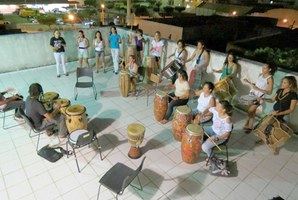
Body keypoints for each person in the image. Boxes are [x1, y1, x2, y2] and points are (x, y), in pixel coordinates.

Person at [243, 63, 275, 132]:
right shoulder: (260, 75)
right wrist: (248, 82)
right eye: (262, 67)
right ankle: (250, 125)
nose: (263, 69)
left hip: (259, 97)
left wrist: (258, 89)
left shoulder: (270, 78)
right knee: (251, 111)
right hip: (252, 94)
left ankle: (248, 123)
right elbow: (257, 85)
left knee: (250, 110)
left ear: (270, 69)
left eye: (265, 68)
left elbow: (270, 92)